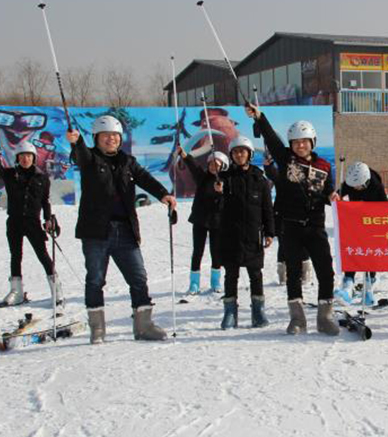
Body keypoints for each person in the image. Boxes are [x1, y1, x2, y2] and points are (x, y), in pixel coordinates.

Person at [66, 115, 177, 343]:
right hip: (96, 231)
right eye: (106, 136)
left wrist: (163, 194)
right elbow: (80, 156)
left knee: (138, 277)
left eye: (115, 136)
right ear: (96, 138)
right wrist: (75, 142)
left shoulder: (127, 161)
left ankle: (143, 326)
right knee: (95, 279)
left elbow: (144, 177)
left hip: (125, 229)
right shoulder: (89, 159)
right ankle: (97, 330)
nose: (111, 140)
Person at [245, 103, 340, 335]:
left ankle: (325, 317)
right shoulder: (285, 159)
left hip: (316, 226)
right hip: (290, 226)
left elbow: (328, 189)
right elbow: (271, 137)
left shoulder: (324, 165)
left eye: (305, 141)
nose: (300, 145)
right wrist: (260, 117)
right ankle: (297, 319)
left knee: (325, 271)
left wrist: (332, 195)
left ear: (313, 142)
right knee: (293, 273)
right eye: (296, 142)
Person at [0, 141, 62, 308]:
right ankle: (17, 291)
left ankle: (56, 288)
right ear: (17, 158)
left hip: (33, 222)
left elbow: (45, 200)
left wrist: (48, 218)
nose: (25, 159)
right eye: (22, 156)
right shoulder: (10, 174)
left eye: (29, 156)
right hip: (14, 221)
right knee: (15, 255)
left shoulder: (42, 178)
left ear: (34, 158)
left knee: (42, 255)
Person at [219, 136, 274, 329]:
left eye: (243, 151)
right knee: (230, 275)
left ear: (249, 154)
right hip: (231, 235)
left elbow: (267, 208)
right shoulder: (224, 178)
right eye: (235, 152)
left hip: (253, 235)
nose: (239, 155)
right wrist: (218, 192)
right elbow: (216, 207)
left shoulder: (260, 179)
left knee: (255, 274)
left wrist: (270, 232)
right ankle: (230, 312)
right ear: (231, 155)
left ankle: (258, 312)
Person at [334, 161, 388, 306]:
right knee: (354, 251)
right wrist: (336, 197)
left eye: (359, 187)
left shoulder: (376, 186)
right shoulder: (351, 182)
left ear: (366, 181)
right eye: (353, 187)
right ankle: (348, 283)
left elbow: (386, 208)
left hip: (373, 224)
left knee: (370, 253)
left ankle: (369, 284)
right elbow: (338, 195)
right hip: (356, 223)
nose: (356, 189)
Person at [176, 145, 228, 295]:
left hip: (217, 222)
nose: (213, 167)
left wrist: (221, 192)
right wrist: (184, 155)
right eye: (211, 164)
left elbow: (225, 204)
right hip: (200, 220)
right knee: (197, 251)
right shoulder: (202, 177)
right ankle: (194, 283)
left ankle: (215, 281)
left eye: (217, 165)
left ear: (223, 167)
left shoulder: (225, 182)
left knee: (216, 251)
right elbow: (193, 166)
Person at [263, 151, 312, 285]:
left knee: (303, 243)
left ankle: (305, 272)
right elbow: (273, 174)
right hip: (282, 215)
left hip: (302, 215)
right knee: (284, 244)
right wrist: (268, 165)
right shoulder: (282, 176)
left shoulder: (306, 175)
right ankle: (282, 274)